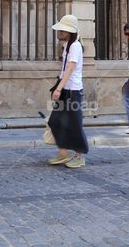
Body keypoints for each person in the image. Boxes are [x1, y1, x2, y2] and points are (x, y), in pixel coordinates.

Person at [46, 15, 89, 168]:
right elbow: (64, 69)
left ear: (69, 31)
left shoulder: (75, 46)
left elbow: (70, 69)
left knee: (75, 124)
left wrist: (58, 88)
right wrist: (59, 85)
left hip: (73, 91)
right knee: (55, 121)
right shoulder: (67, 45)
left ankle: (79, 156)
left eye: (62, 29)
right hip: (66, 88)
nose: (59, 32)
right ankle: (63, 154)